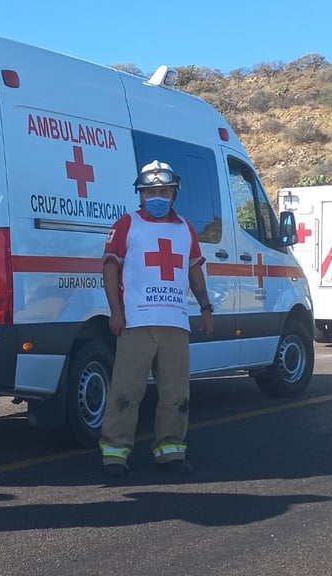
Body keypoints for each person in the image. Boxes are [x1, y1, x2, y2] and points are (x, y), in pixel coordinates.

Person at [97, 160, 214, 478]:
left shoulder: (185, 229)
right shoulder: (127, 224)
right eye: (150, 191)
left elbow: (193, 270)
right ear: (141, 194)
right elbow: (110, 267)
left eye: (163, 191)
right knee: (126, 391)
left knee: (176, 394)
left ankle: (171, 451)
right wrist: (116, 312)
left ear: (174, 193)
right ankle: (114, 454)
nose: (157, 196)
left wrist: (206, 307)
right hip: (136, 322)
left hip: (175, 322)